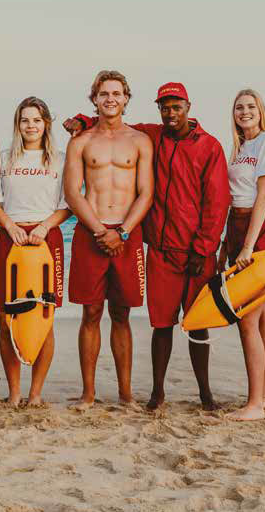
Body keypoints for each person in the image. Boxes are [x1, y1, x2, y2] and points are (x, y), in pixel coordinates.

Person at [64, 82, 230, 411]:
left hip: (166, 244)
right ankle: (126, 394)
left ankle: (194, 394)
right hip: (136, 242)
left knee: (173, 319)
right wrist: (84, 119)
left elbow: (214, 200)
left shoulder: (195, 144)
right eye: (165, 107)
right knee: (126, 318)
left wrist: (203, 248)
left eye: (177, 106)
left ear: (188, 107)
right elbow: (73, 190)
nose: (171, 113)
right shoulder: (146, 134)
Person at [63, 70, 153, 409]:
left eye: (116, 93)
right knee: (90, 312)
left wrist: (123, 232)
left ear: (126, 99)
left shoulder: (140, 141)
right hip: (92, 232)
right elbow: (73, 193)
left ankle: (125, 393)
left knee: (121, 313)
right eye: (104, 94)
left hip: (127, 234)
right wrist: (101, 231)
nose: (110, 99)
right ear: (94, 99)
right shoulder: (81, 141)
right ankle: (88, 393)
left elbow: (146, 193)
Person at [0, 97, 71, 408]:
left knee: (44, 318)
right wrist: (10, 226)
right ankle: (14, 393)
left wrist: (45, 227)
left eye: (36, 120)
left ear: (46, 123)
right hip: (9, 239)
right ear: (17, 124)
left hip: (46, 241)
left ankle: (35, 394)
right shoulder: (4, 158)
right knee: (7, 319)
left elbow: (67, 204)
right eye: (25, 120)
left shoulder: (60, 160)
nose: (30, 126)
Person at [220, 88, 265, 421]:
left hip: (258, 231)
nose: (244, 112)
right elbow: (232, 197)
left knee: (247, 318)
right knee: (262, 319)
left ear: (261, 112)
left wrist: (248, 246)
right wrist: (226, 244)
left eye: (250, 107)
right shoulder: (239, 147)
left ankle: (254, 405)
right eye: (239, 108)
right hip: (237, 227)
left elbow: (262, 198)